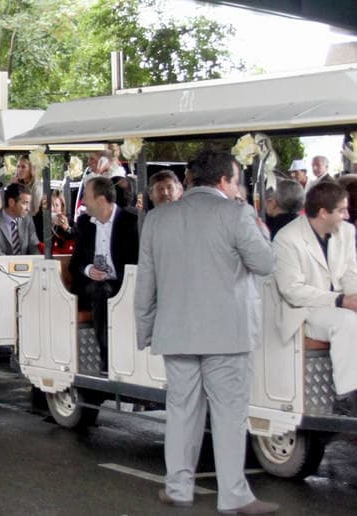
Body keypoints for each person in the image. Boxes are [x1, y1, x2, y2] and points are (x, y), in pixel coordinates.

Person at [135, 149, 277, 514]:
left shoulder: (157, 220)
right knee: (229, 415)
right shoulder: (237, 214)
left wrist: (145, 328)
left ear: (190, 179)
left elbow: (146, 282)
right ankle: (233, 495)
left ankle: (178, 487)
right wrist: (261, 231)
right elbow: (264, 264)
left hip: (176, 331)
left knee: (181, 411)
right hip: (227, 334)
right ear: (224, 181)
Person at [273, 181, 357, 416]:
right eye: (342, 210)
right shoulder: (287, 238)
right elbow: (293, 290)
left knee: (348, 317)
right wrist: (341, 300)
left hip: (338, 305)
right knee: (346, 321)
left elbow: (351, 274)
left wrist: (354, 297)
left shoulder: (347, 232)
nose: (347, 215)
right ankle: (346, 397)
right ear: (323, 213)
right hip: (304, 310)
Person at [70, 176, 138, 370]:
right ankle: (108, 361)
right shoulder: (85, 223)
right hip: (93, 287)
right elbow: (75, 264)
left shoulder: (130, 222)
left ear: (100, 200)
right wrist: (89, 270)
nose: (82, 201)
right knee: (102, 291)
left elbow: (137, 262)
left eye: (86, 196)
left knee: (117, 292)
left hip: (124, 283)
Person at [0, 182, 40, 257]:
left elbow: (34, 247)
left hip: (26, 266)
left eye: (29, 204)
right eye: (25, 203)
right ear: (11, 202)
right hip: (3, 267)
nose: (28, 208)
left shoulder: (27, 219)